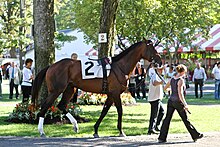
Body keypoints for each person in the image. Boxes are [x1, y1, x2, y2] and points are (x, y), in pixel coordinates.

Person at [158, 64, 203, 143]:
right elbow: (180, 94)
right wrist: (185, 104)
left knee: (167, 119)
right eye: (185, 72)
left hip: (171, 101)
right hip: (178, 102)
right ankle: (195, 135)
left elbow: (165, 88)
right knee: (185, 120)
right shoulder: (181, 80)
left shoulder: (172, 79)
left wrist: (171, 90)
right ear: (182, 72)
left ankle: (162, 137)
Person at [147, 65, 165, 135]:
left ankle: (156, 126)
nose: (162, 70)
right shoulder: (155, 75)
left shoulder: (159, 76)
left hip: (157, 98)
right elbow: (154, 83)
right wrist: (161, 82)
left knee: (162, 111)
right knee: (154, 114)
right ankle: (151, 129)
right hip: (154, 98)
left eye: (162, 69)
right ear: (157, 70)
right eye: (160, 69)